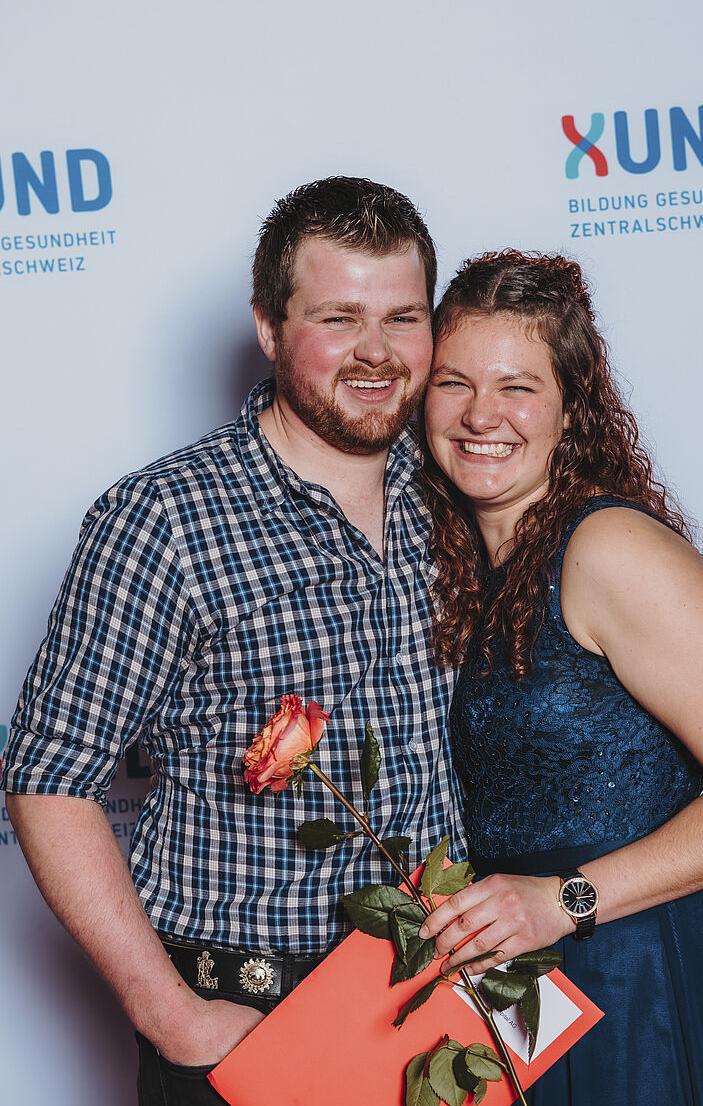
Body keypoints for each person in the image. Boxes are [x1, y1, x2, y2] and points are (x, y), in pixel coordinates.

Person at [1, 176, 465, 1105]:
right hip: (248, 1019)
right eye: (339, 317)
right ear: (269, 328)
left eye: (403, 318)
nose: (377, 352)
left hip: (437, 1010)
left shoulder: (456, 492)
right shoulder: (164, 518)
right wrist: (171, 1016)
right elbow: (48, 778)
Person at [418, 249, 703, 1105]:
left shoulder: (607, 548)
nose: (481, 414)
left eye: (517, 386)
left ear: (570, 407)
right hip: (523, 982)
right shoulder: (462, 562)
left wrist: (565, 902)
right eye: (454, 383)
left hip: (637, 973)